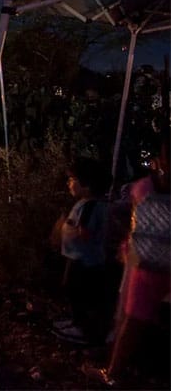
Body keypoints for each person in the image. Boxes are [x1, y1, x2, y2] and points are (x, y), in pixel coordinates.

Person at [84, 140, 170, 386]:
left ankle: (120, 370)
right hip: (142, 267)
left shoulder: (143, 188)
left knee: (133, 321)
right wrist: (127, 240)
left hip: (146, 267)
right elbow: (121, 214)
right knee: (130, 320)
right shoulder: (142, 188)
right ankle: (116, 371)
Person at [52, 157, 114, 345]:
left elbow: (85, 233)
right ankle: (75, 321)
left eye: (72, 179)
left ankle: (82, 328)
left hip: (84, 260)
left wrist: (67, 225)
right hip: (79, 257)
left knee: (77, 291)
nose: (69, 183)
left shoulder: (90, 206)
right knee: (72, 289)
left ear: (86, 185)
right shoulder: (86, 204)